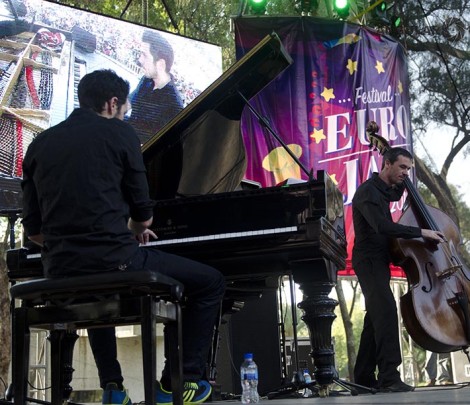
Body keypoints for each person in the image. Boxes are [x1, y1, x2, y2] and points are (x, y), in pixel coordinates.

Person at [21, 69, 225, 405]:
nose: (126, 112)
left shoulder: (38, 145)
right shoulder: (120, 133)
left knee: (94, 287)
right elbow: (144, 215)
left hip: (60, 269)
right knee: (210, 282)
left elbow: (34, 231)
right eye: (126, 106)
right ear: (112, 102)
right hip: (116, 259)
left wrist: (74, 245)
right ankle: (180, 382)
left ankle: (113, 388)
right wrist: (132, 232)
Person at [352, 146, 445, 393]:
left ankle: (362, 378)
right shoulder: (367, 192)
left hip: (379, 260)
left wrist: (408, 187)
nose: (406, 172)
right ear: (387, 164)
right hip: (368, 259)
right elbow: (382, 226)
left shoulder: (384, 190)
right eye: (402, 167)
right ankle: (389, 378)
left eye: (409, 169)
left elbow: (394, 194)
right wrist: (421, 232)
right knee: (385, 311)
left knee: (375, 318)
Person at [127, 29, 184, 144]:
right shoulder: (146, 80)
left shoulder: (174, 106)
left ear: (161, 64)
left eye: (144, 55)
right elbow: (128, 102)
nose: (140, 60)